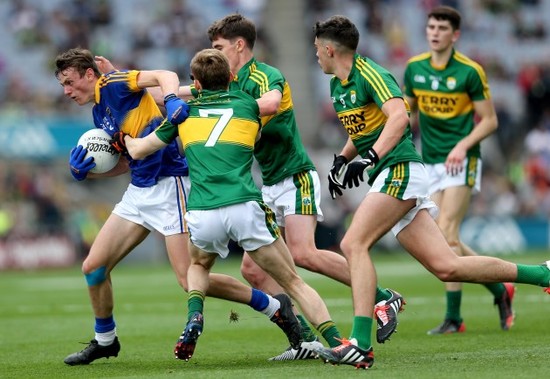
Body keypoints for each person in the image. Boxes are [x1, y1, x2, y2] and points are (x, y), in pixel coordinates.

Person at [312, 15, 550, 370]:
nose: (315, 55)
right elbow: (360, 127)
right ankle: (542, 274)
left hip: (400, 170)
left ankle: (360, 342)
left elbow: (399, 117)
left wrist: (371, 157)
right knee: (447, 267)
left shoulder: (370, 73)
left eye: (317, 49)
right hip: (392, 173)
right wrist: (342, 160)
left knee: (352, 244)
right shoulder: (338, 85)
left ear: (330, 49)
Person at [57, 48, 300, 365]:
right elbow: (129, 160)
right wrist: (86, 171)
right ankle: (106, 341)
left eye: (69, 82)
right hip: (140, 191)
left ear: (89, 74)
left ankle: (272, 305)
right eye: (63, 85)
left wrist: (171, 100)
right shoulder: (98, 112)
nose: (66, 91)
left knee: (189, 279)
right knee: (94, 267)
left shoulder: (115, 82)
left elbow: (165, 76)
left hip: (170, 186)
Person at [122, 48, 343, 362]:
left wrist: (126, 139)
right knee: (291, 280)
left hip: (202, 210)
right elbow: (264, 117)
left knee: (197, 267)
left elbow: (141, 149)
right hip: (243, 205)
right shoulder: (247, 105)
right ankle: (337, 341)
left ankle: (195, 314)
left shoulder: (183, 113)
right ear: (231, 78)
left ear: (195, 83)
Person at [205, 13, 405, 360]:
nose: (215, 54)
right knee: (252, 269)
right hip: (268, 182)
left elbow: (266, 105)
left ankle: (383, 296)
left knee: (302, 253)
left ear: (239, 45)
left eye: (219, 46)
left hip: (294, 175)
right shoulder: (228, 84)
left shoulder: (268, 76)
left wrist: (225, 110)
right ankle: (307, 339)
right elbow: (186, 92)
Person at [403, 5, 515, 335]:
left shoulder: (469, 72)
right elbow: (407, 115)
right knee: (441, 238)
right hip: (430, 162)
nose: (434, 32)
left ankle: (454, 317)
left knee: (447, 233)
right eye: (431, 27)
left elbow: (490, 121)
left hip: (462, 160)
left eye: (441, 28)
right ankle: (500, 288)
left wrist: (462, 145)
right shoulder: (414, 68)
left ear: (456, 35)